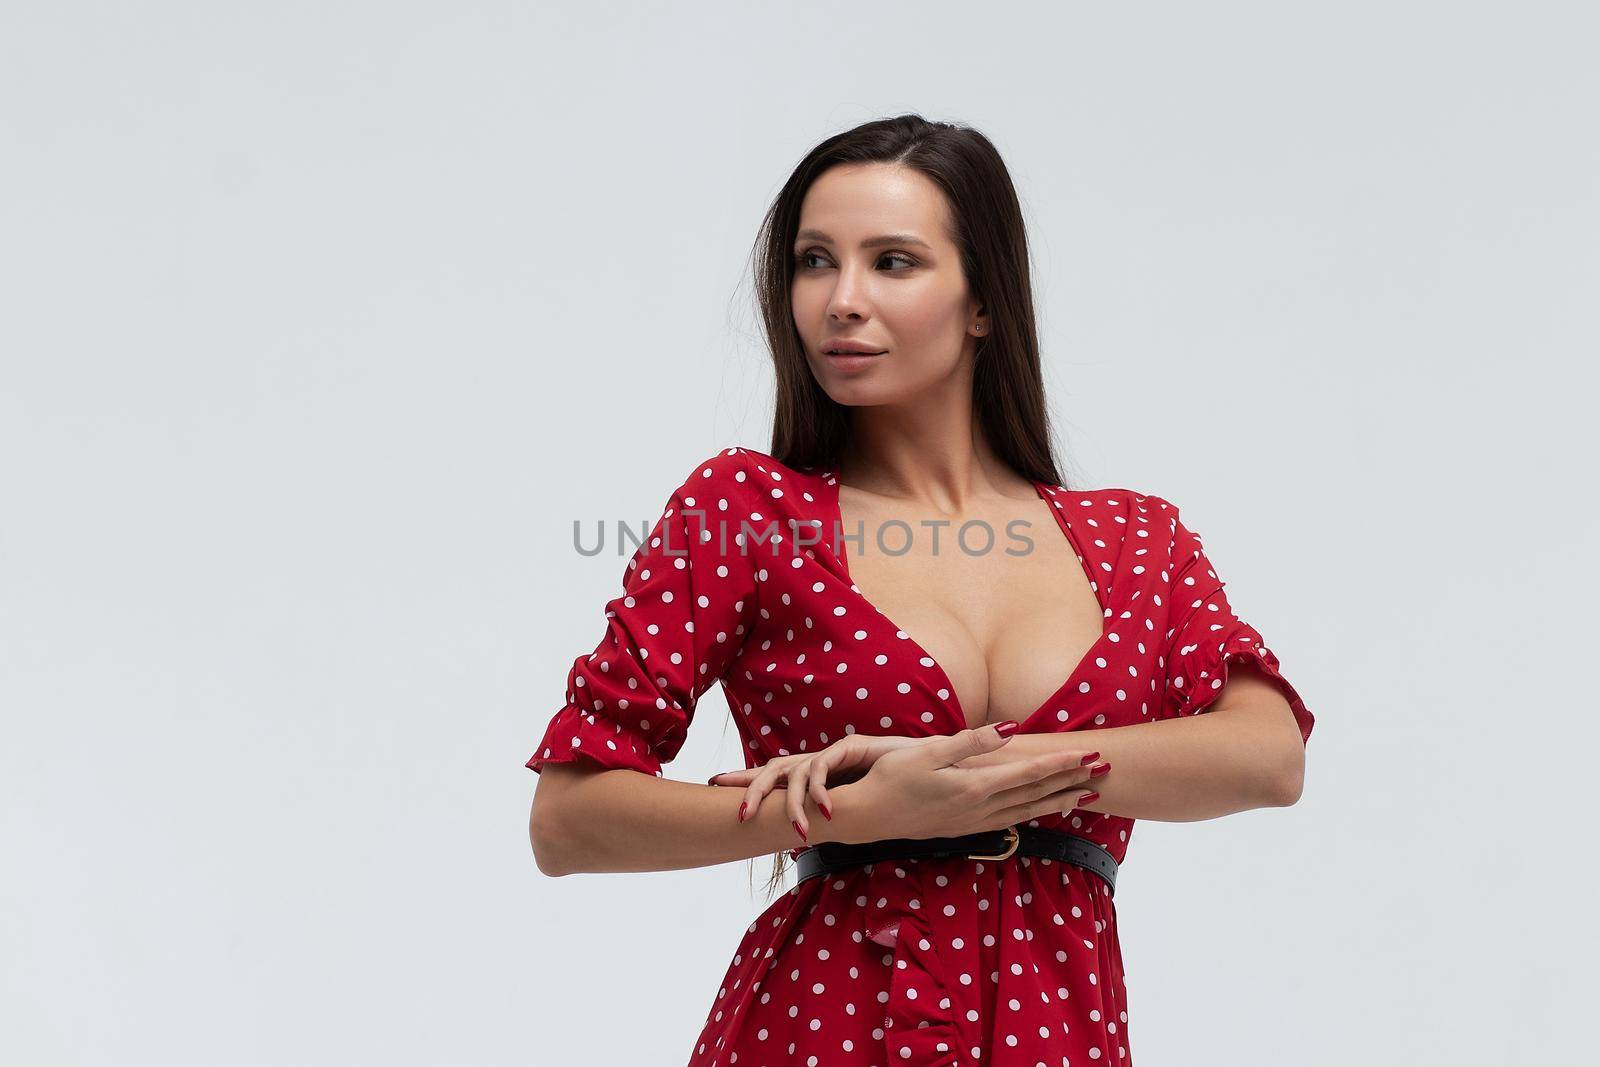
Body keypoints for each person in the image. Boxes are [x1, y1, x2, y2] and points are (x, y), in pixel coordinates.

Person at [525, 113, 1315, 1066]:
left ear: (983, 300)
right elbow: (569, 819)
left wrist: (972, 775)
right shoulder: (747, 510)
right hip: (818, 1025)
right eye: (816, 261)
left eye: (892, 262)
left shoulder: (1135, 535)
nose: (840, 300)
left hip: (1059, 1031)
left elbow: (1267, 755)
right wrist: (860, 812)